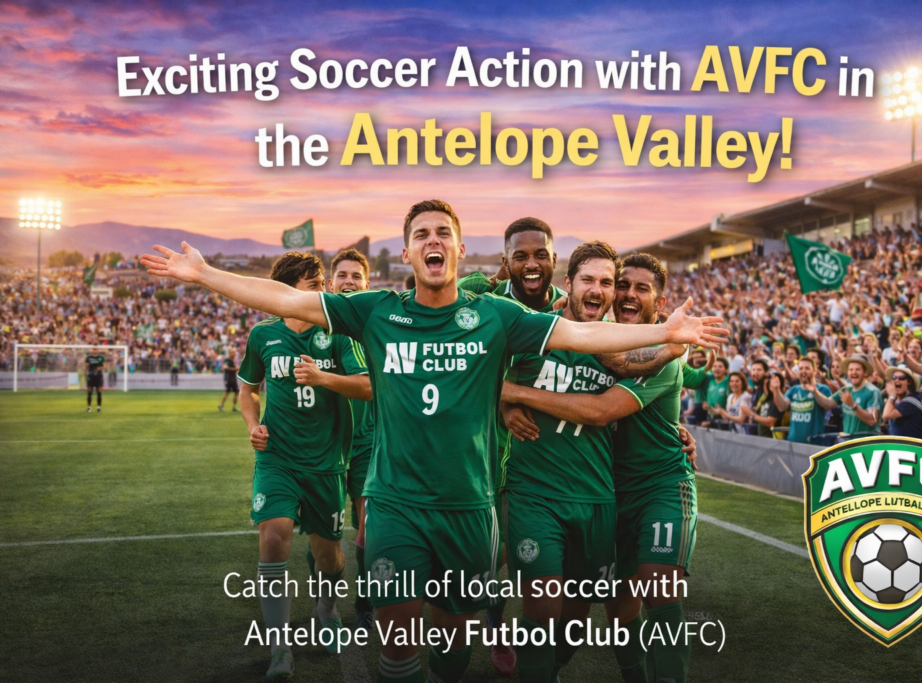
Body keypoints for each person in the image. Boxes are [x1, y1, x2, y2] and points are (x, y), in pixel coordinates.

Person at [142, 200, 727, 683]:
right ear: (407, 254)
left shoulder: (495, 316)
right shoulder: (375, 311)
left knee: (450, 648)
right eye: (421, 234)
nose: (432, 240)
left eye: (443, 232)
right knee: (398, 646)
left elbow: (577, 332)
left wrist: (663, 331)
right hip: (396, 502)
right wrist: (204, 275)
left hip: (471, 510)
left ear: (458, 249)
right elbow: (289, 300)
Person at [501, 253, 705, 683]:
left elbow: (600, 411)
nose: (629, 294)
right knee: (604, 608)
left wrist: (514, 392)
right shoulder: (594, 340)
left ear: (659, 302)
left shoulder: (665, 354)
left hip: (658, 486)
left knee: (657, 592)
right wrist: (504, 404)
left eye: (640, 288)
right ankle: (551, 668)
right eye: (623, 285)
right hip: (607, 491)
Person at [235, 252, 372, 680]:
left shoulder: (338, 336)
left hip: (326, 463)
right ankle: (279, 648)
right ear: (288, 291)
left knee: (329, 557)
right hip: (277, 457)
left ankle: (326, 609)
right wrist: (254, 425)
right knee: (274, 536)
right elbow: (247, 391)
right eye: (315, 285)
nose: (324, 291)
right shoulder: (262, 335)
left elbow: (369, 387)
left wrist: (324, 378)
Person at [458, 216, 566, 674]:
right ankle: (496, 622)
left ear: (554, 258)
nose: (532, 263)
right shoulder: (486, 303)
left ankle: (512, 627)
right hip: (486, 450)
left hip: (549, 454)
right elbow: (451, 295)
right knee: (491, 554)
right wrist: (502, 402)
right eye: (520, 256)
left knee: (525, 560)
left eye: (540, 253)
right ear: (506, 262)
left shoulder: (570, 305)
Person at [327, 248, 376, 631]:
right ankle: (323, 599)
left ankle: (365, 600)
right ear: (330, 283)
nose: (348, 282)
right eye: (342, 275)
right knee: (319, 531)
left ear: (367, 283)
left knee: (366, 528)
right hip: (323, 446)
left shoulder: (375, 325)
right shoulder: (312, 328)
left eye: (356, 276)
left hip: (366, 444)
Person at [815, 355, 882, 438]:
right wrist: (814, 390)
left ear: (865, 373)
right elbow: (827, 404)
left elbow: (872, 420)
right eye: (851, 370)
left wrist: (853, 405)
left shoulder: (873, 391)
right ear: (847, 373)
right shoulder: (847, 389)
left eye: (857, 369)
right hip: (848, 444)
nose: (854, 372)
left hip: (866, 446)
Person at [774, 357, 831, 444]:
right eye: (801, 368)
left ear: (814, 371)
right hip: (792, 442)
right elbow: (782, 407)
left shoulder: (823, 389)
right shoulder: (793, 390)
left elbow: (827, 406)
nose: (803, 371)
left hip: (813, 444)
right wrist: (776, 390)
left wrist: (814, 392)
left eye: (807, 368)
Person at [882, 366, 922, 439]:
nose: (897, 380)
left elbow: (886, 416)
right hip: (898, 446)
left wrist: (891, 396)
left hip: (912, 448)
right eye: (894, 378)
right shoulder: (896, 401)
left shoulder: (911, 401)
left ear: (909, 382)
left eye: (901, 378)